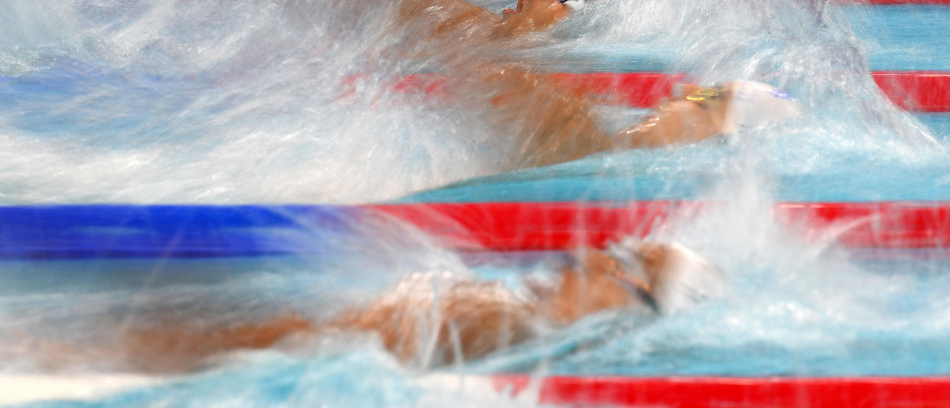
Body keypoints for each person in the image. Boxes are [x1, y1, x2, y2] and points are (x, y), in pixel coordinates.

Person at [84, 239, 725, 373]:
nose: (589, 255)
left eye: (625, 265)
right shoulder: (503, 321)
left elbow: (291, 341)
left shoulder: (486, 319)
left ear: (640, 309)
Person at [394, 0, 803, 169]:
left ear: (707, 129)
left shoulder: (569, 127)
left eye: (703, 98)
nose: (684, 92)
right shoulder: (574, 124)